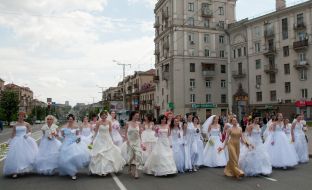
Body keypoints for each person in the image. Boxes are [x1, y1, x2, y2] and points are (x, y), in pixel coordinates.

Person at [89, 111, 126, 176]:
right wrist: (92, 140)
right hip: (100, 139)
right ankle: (100, 170)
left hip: (107, 139)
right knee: (100, 154)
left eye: (105, 115)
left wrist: (112, 139)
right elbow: (96, 132)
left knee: (108, 154)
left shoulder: (109, 122)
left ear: (106, 116)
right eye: (102, 115)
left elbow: (110, 132)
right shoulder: (98, 122)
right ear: (100, 116)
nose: (104, 117)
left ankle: (107, 170)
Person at [3, 111, 38, 178]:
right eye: (20, 115)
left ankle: (23, 169)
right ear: (18, 116)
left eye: (22, 116)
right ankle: (15, 171)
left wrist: (27, 135)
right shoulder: (15, 125)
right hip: (17, 140)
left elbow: (30, 131)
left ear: (24, 117)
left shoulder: (27, 124)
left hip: (25, 139)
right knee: (16, 156)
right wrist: (9, 141)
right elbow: (13, 134)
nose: (21, 117)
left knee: (26, 155)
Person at [58, 114, 90, 180]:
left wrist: (78, 140)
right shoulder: (64, 127)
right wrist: (64, 138)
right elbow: (61, 135)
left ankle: (73, 173)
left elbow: (78, 135)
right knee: (66, 158)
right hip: (66, 143)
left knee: (74, 157)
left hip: (74, 143)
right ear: (68, 119)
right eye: (69, 119)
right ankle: (69, 170)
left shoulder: (76, 126)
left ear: (73, 120)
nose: (70, 120)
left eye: (71, 119)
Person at [122, 111, 144, 179]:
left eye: (138, 116)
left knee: (138, 155)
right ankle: (129, 167)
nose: (137, 117)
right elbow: (125, 132)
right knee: (131, 156)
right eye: (136, 115)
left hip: (137, 141)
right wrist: (127, 140)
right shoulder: (127, 123)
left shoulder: (139, 123)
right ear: (132, 115)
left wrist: (142, 143)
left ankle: (136, 172)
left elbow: (140, 134)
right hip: (130, 141)